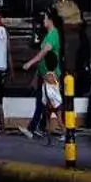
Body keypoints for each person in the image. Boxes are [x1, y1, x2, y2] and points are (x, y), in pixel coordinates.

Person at [22, 8, 63, 139]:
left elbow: (42, 54)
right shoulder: (48, 34)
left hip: (51, 75)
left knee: (55, 105)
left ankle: (66, 131)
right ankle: (35, 128)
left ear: (50, 20)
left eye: (45, 18)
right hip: (43, 75)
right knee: (42, 103)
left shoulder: (53, 35)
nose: (43, 21)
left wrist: (29, 63)